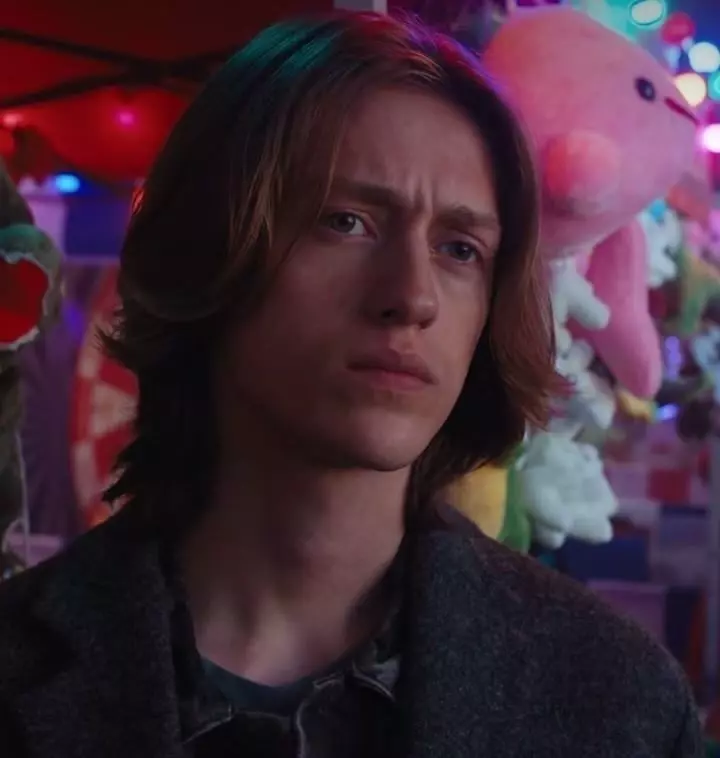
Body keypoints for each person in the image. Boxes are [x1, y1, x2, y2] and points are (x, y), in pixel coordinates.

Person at [0, 11, 702, 758]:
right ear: (209, 243)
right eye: (346, 221)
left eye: (460, 249)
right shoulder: (17, 664)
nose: (413, 296)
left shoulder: (618, 700)